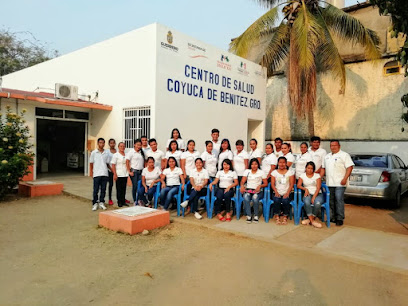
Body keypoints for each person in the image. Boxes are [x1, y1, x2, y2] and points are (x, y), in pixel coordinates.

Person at [321, 140, 354, 226]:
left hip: (340, 183)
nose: (333, 147)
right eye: (331, 145)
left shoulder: (344, 155)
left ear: (339, 146)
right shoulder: (327, 156)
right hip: (329, 183)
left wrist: (345, 178)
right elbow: (323, 169)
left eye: (335, 145)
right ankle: (333, 217)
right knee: (331, 201)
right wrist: (319, 178)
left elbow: (350, 168)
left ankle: (340, 218)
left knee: (338, 199)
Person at [297, 161, 324, 228]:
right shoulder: (302, 175)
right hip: (308, 193)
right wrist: (305, 189)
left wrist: (314, 197)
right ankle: (312, 221)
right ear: (306, 168)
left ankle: (310, 219)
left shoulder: (317, 176)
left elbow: (318, 188)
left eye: (311, 168)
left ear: (313, 169)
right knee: (306, 202)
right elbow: (298, 185)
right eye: (308, 168)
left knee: (317, 203)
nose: (310, 170)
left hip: (317, 193)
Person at [240, 158, 268, 224]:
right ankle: (249, 215)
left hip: (258, 191)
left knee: (255, 198)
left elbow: (266, 183)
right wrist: (242, 186)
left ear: (258, 165)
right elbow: (242, 181)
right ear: (250, 165)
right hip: (248, 190)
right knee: (246, 197)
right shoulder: (247, 171)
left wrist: (260, 186)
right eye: (252, 164)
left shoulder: (261, 172)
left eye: (255, 164)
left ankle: (256, 215)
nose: (254, 166)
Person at [271, 157, 295, 225]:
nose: (282, 164)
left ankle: (285, 215)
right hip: (277, 191)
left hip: (287, 192)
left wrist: (287, 193)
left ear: (286, 163)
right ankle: (277, 215)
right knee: (277, 199)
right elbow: (272, 184)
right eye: (280, 162)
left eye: (283, 162)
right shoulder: (274, 172)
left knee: (285, 200)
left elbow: (291, 184)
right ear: (278, 163)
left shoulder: (290, 172)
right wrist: (276, 191)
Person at [90, 138, 110, 211]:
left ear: (104, 144)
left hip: (104, 173)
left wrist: (112, 171)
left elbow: (107, 163)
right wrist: (91, 172)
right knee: (95, 189)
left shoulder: (106, 153)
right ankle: (95, 203)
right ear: (98, 144)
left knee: (103, 189)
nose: (101, 144)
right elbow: (91, 163)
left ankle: (102, 202)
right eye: (100, 143)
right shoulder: (94, 153)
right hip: (96, 174)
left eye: (103, 143)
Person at [126, 139, 145, 204]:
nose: (139, 146)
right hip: (134, 172)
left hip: (141, 172)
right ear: (134, 144)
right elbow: (127, 162)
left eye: (140, 145)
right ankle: (135, 200)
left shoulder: (142, 152)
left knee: (141, 186)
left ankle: (140, 199)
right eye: (137, 145)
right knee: (135, 186)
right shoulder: (131, 152)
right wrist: (129, 171)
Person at [110, 142, 129, 208]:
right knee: (119, 188)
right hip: (118, 174)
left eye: (123, 146)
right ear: (118, 147)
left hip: (125, 174)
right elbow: (113, 165)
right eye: (121, 146)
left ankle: (123, 201)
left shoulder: (126, 155)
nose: (122, 147)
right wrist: (115, 174)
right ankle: (119, 202)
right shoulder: (116, 155)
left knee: (124, 188)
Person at [106, 138, 116, 205]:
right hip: (110, 170)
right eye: (111, 143)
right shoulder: (107, 152)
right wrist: (111, 169)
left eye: (113, 143)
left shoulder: (117, 151)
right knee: (111, 184)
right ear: (109, 144)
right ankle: (110, 199)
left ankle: (121, 197)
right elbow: (107, 162)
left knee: (119, 185)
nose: (112, 144)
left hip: (117, 170)